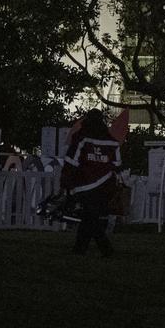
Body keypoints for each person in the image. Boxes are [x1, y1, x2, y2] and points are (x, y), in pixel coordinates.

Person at [61, 109, 122, 257]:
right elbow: (118, 164)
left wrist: (66, 183)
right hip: (106, 185)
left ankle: (104, 250)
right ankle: (80, 249)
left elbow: (71, 162)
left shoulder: (81, 138)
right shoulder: (112, 142)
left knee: (90, 218)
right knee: (90, 217)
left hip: (84, 184)